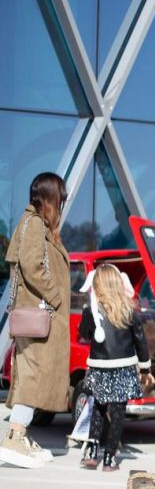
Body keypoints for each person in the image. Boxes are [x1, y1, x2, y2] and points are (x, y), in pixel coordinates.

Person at [0, 172, 71, 469]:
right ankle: (15, 437)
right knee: (32, 376)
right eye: (61, 198)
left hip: (41, 316)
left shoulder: (37, 225)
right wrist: (55, 296)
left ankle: (21, 436)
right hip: (41, 316)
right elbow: (31, 265)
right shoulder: (34, 224)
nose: (62, 203)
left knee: (34, 375)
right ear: (51, 197)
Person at [77, 263, 153, 472]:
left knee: (98, 408)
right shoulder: (129, 311)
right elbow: (140, 341)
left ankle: (92, 452)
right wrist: (145, 369)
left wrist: (87, 315)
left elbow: (84, 335)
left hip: (99, 367)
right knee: (118, 413)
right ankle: (110, 459)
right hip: (124, 368)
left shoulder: (91, 311)